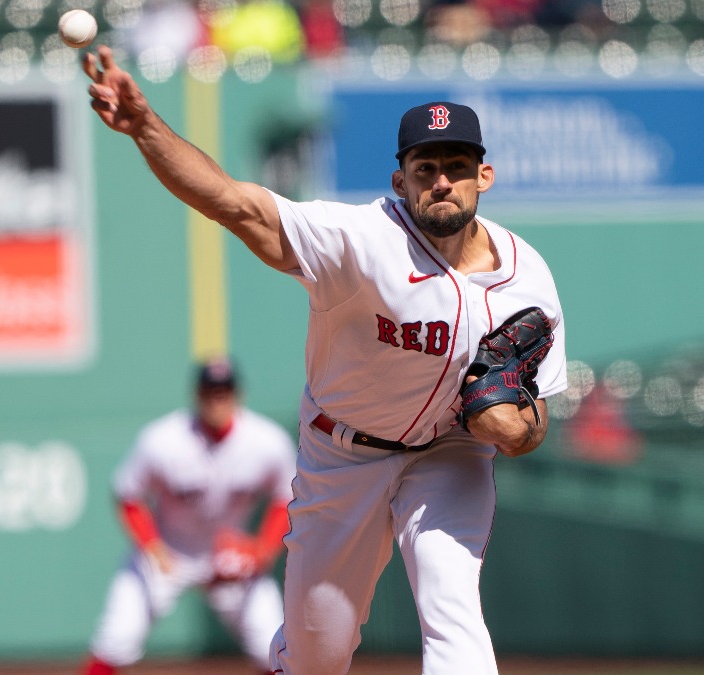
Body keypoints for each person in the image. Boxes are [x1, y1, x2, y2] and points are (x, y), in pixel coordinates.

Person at [82, 46, 568, 674]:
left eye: (458, 164)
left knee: (454, 606)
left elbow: (539, 411)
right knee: (318, 654)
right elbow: (234, 203)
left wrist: (520, 428)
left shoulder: (529, 277)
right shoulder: (360, 241)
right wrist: (147, 127)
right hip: (344, 454)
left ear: (485, 175)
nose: (442, 180)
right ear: (402, 181)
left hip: (448, 453)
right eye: (426, 168)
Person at [82, 358, 298, 675]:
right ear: (197, 394)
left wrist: (263, 550)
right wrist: (152, 547)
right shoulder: (163, 439)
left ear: (238, 394)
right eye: (210, 391)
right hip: (168, 552)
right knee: (117, 637)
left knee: (273, 647)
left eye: (224, 391)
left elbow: (287, 496)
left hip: (229, 555)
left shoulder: (266, 441)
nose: (217, 399)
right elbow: (128, 495)